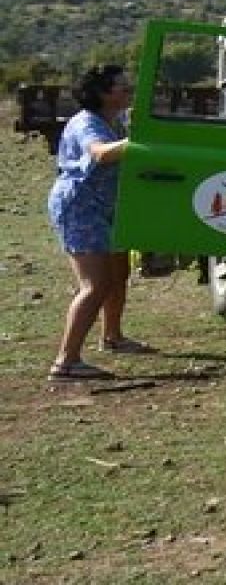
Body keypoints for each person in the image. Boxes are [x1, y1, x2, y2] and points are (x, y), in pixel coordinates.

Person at [47, 66, 151, 380]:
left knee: (119, 272)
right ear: (104, 93)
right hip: (81, 207)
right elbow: (101, 154)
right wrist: (144, 143)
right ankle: (66, 363)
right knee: (95, 285)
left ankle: (113, 337)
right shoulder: (86, 124)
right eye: (121, 86)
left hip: (106, 207)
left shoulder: (113, 120)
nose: (128, 90)